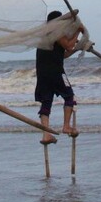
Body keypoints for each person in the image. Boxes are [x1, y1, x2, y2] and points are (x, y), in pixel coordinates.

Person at [34, 10, 82, 145]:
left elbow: (64, 54)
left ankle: (46, 135)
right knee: (70, 97)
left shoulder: (44, 36)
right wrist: (78, 31)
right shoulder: (56, 32)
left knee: (46, 101)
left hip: (43, 74)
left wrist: (79, 47)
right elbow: (68, 45)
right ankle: (66, 126)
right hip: (55, 71)